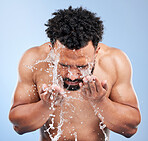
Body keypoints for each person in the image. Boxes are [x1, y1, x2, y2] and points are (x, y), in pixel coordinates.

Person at [9, 6, 141, 141]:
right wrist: (46, 106)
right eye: (64, 65)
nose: (72, 75)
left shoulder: (115, 62)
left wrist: (100, 102)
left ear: (96, 51)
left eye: (82, 66)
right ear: (52, 51)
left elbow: (131, 128)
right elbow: (18, 126)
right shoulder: (34, 60)